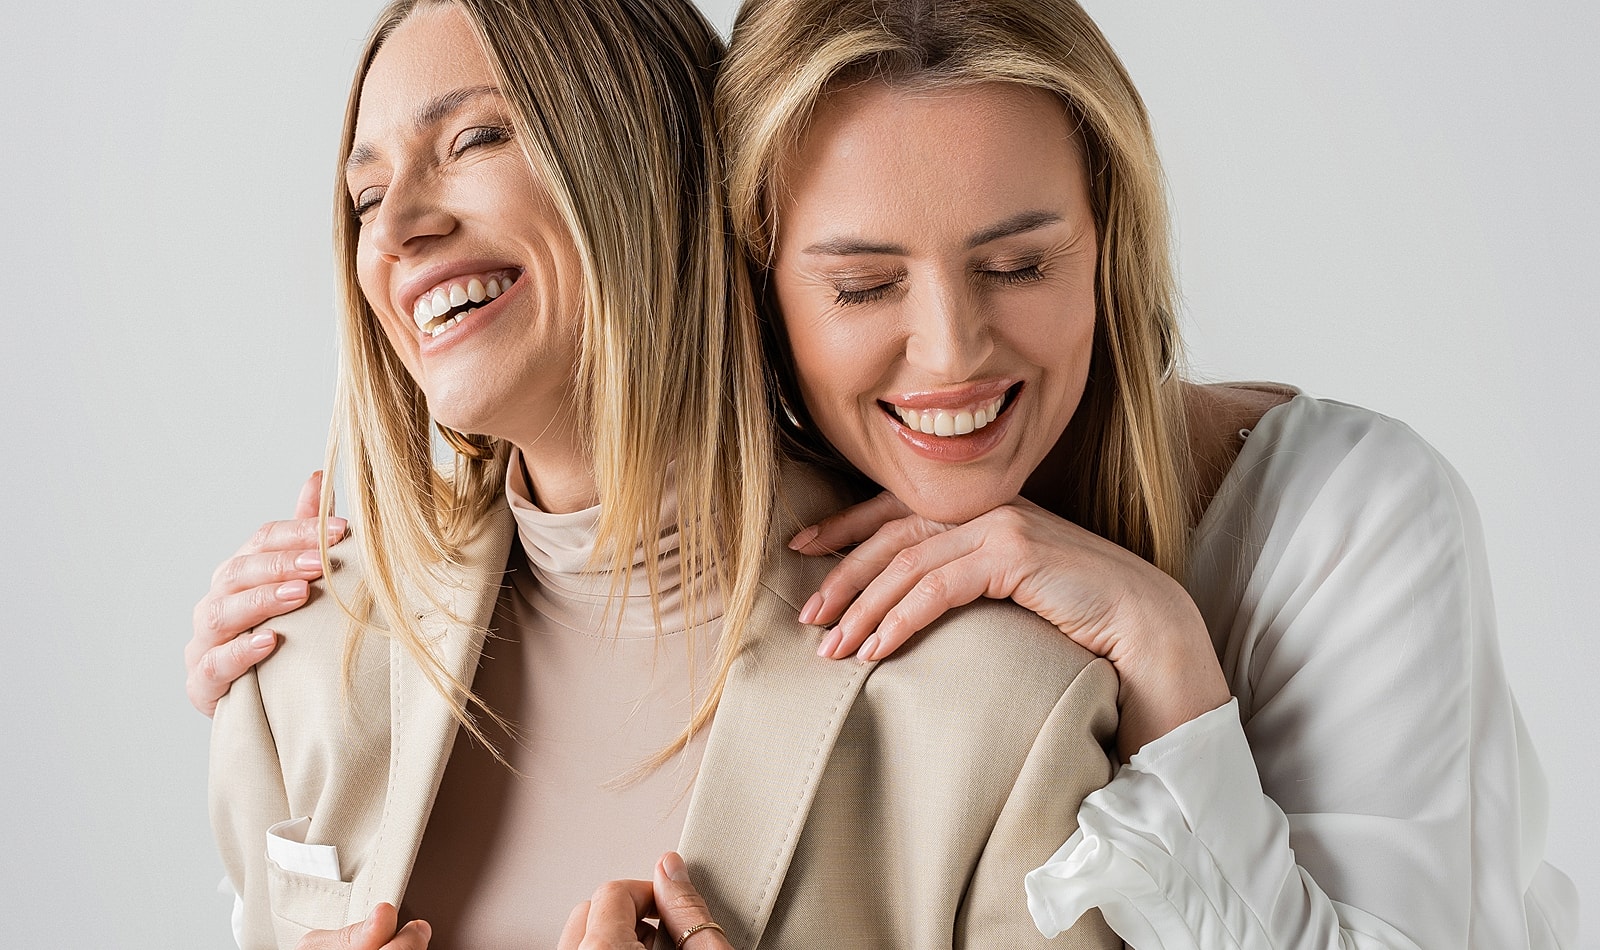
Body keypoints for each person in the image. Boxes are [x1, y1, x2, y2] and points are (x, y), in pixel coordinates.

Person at [196, 0, 1580, 947]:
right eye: (862, 283)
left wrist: (1165, 647)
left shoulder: (1337, 527)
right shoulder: (313, 662)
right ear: (752, 279)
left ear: (1111, 242)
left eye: (1018, 263)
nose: (950, 352)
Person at [203, 0, 1121, 947]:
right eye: (365, 197)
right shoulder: (291, 668)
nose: (396, 226)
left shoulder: (1005, 704)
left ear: (656, 154)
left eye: (475, 139)